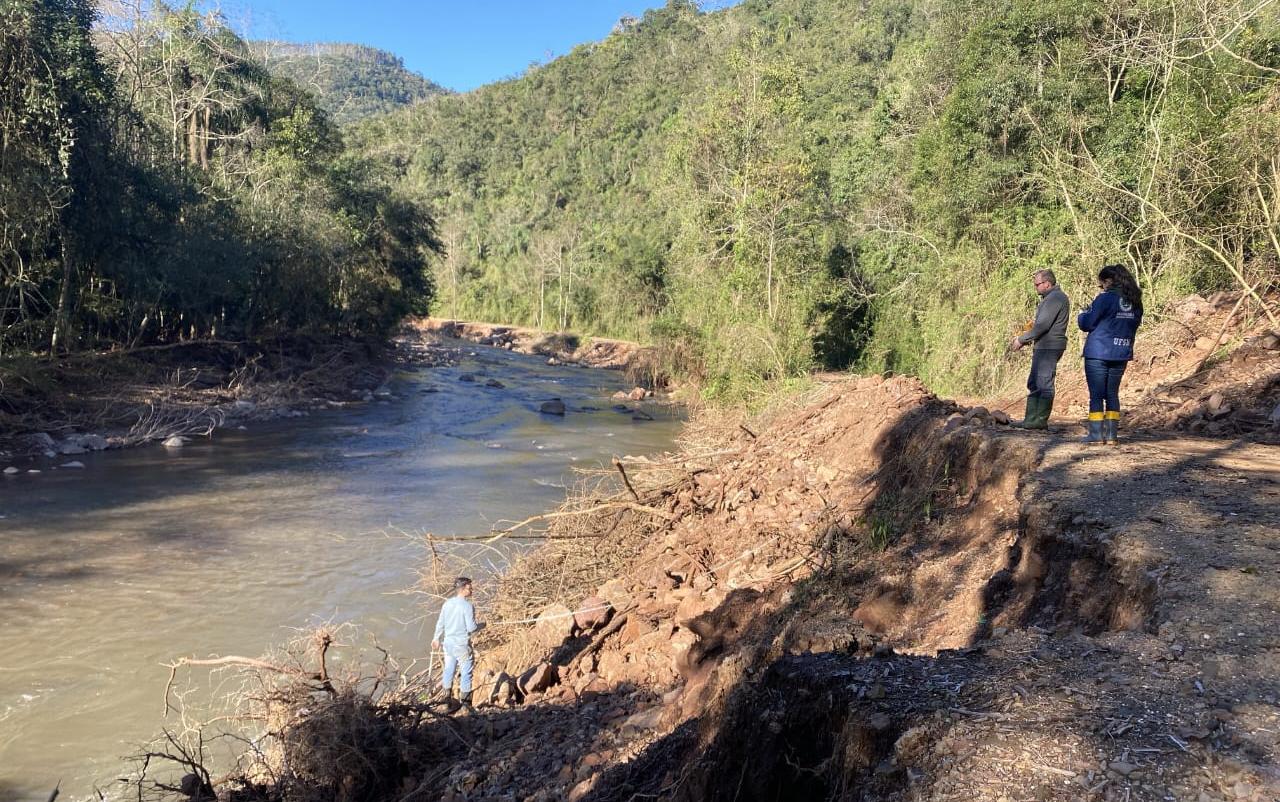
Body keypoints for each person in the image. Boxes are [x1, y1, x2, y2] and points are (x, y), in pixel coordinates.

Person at [1077, 264, 1143, 445]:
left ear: (1109, 281)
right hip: (1121, 351)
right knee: (1112, 393)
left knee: (1097, 395)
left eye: (1102, 284)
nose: (1102, 288)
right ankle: (1112, 435)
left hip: (1099, 351)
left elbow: (1087, 323)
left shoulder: (1104, 299)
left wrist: (1081, 314)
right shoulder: (1135, 301)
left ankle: (1096, 435)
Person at [1010, 269, 1070, 429]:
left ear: (1047, 283)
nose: (1035, 287)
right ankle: (1030, 419)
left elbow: (1043, 326)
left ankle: (1039, 421)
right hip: (1043, 346)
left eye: (1037, 284)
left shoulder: (1055, 298)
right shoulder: (1050, 298)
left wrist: (1022, 340)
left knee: (1044, 382)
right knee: (1034, 381)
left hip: (1049, 347)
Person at [432, 576, 483, 707]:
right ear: (463, 589)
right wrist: (483, 625)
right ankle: (466, 705)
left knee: (449, 670)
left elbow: (440, 623)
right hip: (461, 645)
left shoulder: (447, 603)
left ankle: (446, 701)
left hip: (447, 644)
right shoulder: (467, 606)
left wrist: (436, 638)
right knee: (466, 672)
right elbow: (471, 628)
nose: (472, 589)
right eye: (470, 587)